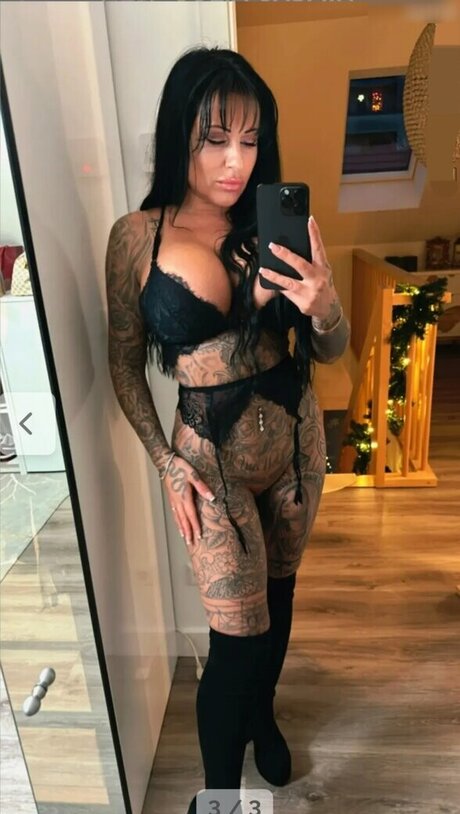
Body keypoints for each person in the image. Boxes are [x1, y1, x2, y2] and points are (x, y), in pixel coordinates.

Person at [105, 46, 350, 814]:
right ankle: (217, 798)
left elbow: (332, 348)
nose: (236, 162)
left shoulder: (270, 225)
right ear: (179, 132)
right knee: (236, 642)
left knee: (279, 600)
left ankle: (263, 716)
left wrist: (325, 307)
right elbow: (122, 364)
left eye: (250, 139)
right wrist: (164, 463)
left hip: (297, 449)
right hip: (210, 464)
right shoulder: (136, 238)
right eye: (215, 139)